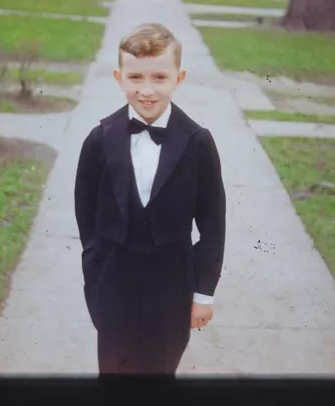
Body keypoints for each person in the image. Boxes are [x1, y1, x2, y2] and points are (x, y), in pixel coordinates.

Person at [74, 23, 226, 376]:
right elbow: (86, 216)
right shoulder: (99, 140)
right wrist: (95, 273)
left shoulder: (198, 143)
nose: (147, 90)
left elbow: (213, 224)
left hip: (172, 282)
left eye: (159, 77)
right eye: (136, 77)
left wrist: (203, 293)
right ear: (119, 77)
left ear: (179, 77)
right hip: (114, 280)